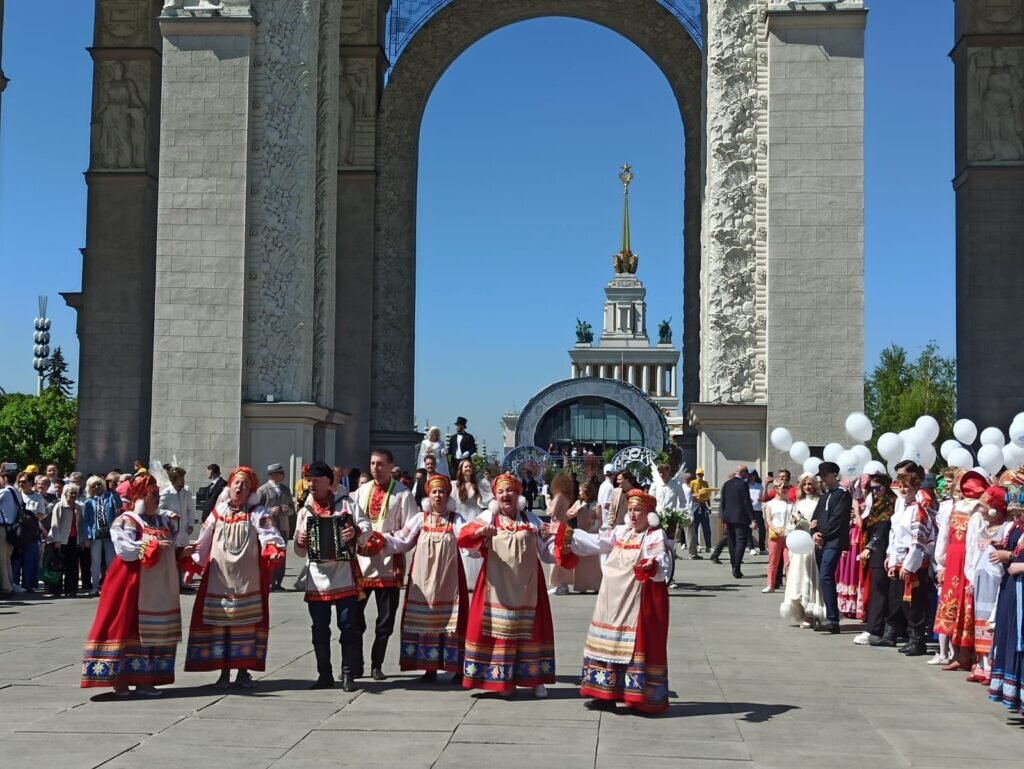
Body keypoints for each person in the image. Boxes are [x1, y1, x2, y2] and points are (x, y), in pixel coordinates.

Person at [550, 489, 670, 714]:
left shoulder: (654, 536)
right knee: (607, 644)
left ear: (649, 514)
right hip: (610, 600)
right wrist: (567, 534)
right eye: (631, 510)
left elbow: (660, 562)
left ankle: (636, 697)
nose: (633, 515)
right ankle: (603, 694)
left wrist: (650, 566)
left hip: (635, 601)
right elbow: (596, 543)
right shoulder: (621, 532)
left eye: (639, 511)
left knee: (632, 645)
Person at [81, 474, 188, 696]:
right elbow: (126, 550)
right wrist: (153, 545)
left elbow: (169, 546)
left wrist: (181, 553)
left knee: (153, 630)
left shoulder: (162, 521)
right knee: (127, 626)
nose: (157, 499)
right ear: (140, 497)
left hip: (159, 586)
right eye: (153, 495)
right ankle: (119, 679)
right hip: (132, 583)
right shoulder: (127, 520)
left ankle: (145, 680)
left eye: (158, 495)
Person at [184, 466, 285, 688]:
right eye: (237, 483)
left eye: (245, 485)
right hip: (219, 580)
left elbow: (270, 535)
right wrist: (193, 564)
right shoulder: (218, 513)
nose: (240, 488)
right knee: (221, 625)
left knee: (245, 625)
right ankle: (223, 672)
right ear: (229, 487)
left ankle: (242, 672)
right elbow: (203, 541)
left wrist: (273, 548)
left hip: (246, 580)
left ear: (251, 491)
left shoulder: (257, 513)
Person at [456, 473, 556, 697]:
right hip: (497, 588)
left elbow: (547, 554)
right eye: (500, 491)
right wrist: (481, 534)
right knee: (500, 631)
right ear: (495, 497)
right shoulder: (488, 517)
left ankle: (536, 679)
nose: (505, 495)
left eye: (509, 490)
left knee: (531, 631)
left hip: (528, 586)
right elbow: (466, 545)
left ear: (518, 494)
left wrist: (559, 540)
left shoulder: (532, 520)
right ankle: (501, 680)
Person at [293, 461, 372, 690]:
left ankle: (347, 673)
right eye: (309, 480)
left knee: (347, 625)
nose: (311, 484)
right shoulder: (305, 511)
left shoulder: (346, 504)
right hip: (317, 578)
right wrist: (299, 543)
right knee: (319, 628)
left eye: (316, 480)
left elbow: (367, 528)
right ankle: (324, 674)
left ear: (329, 483)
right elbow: (299, 551)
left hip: (343, 575)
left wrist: (354, 532)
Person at [383, 474, 468, 684]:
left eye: (442, 492)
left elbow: (469, 542)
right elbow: (402, 541)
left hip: (450, 581)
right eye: (434, 492)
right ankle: (429, 668)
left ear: (448, 495)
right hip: (423, 579)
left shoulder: (456, 520)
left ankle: (456, 667)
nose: (438, 496)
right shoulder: (420, 519)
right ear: (428, 495)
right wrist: (380, 541)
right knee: (425, 620)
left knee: (452, 620)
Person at [351, 448, 418, 681]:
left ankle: (377, 664)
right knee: (355, 617)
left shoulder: (403, 494)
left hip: (389, 563)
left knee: (386, 619)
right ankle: (355, 664)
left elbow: (411, 529)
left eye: (380, 464)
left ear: (391, 466)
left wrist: (387, 540)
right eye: (372, 464)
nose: (375, 468)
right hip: (362, 562)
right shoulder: (360, 492)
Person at [931, 470, 985, 669]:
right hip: (960, 558)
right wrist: (943, 564)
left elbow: (944, 537)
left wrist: (942, 563)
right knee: (958, 602)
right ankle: (961, 654)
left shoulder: (963, 508)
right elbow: (953, 538)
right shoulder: (970, 510)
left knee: (961, 602)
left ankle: (962, 654)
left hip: (959, 557)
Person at [884, 461, 936, 656]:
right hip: (901, 559)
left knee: (915, 602)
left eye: (908, 486)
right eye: (901, 486)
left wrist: (909, 565)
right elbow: (895, 536)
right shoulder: (902, 509)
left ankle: (918, 640)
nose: (904, 490)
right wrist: (892, 559)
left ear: (916, 487)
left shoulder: (918, 509)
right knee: (903, 602)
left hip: (914, 562)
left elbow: (918, 540)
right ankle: (911, 637)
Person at [966, 483, 1010, 682]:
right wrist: (971, 577)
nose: (981, 512)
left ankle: (991, 666)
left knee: (991, 622)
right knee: (980, 621)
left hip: (995, 580)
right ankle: (981, 664)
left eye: (984, 507)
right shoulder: (985, 528)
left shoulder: (1004, 529)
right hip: (981, 578)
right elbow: (975, 555)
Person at [988, 485, 1024, 710]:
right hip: (1012, 591)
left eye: (1020, 511)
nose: (1017, 516)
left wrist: (1013, 559)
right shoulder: (1015, 528)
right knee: (1010, 638)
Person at [853, 472, 898, 646]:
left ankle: (874, 629)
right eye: (871, 488)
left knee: (879, 591)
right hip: (876, 550)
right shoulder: (876, 502)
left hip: (882, 550)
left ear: (886, 487)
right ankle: (880, 627)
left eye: (877, 488)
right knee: (876, 590)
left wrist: (870, 546)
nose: (874, 491)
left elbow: (884, 526)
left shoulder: (890, 502)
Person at [811, 461, 852, 634]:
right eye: (821, 477)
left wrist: (824, 534)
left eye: (826, 476)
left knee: (826, 575)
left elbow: (838, 519)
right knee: (823, 578)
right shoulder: (824, 496)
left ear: (834, 474)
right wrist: (814, 531)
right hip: (821, 542)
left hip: (833, 542)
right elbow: (815, 518)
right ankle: (828, 615)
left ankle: (833, 619)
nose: (823, 480)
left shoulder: (842, 495)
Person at [780, 474, 825, 627]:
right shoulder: (798, 503)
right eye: (805, 484)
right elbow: (792, 523)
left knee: (812, 578)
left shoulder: (819, 501)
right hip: (800, 545)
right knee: (798, 578)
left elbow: (820, 521)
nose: (807, 487)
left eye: (810, 484)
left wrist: (811, 525)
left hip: (812, 545)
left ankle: (813, 613)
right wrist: (796, 523)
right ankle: (803, 613)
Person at [452, 458, 490, 591]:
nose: (468, 469)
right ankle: (463, 580)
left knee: (475, 547)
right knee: (462, 547)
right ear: (461, 470)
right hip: (461, 518)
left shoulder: (478, 485)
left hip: (475, 517)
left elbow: (489, 499)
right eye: (465, 467)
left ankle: (476, 580)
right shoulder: (455, 486)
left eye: (469, 467)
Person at [256, 463, 295, 590]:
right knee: (270, 552)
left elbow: (292, 509)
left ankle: (278, 581)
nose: (283, 475)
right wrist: (270, 510)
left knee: (281, 554)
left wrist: (287, 509)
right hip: (269, 528)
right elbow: (256, 510)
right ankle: (269, 581)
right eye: (280, 473)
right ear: (273, 475)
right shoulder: (263, 490)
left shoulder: (285, 489)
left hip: (283, 525)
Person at [82, 475, 118, 596]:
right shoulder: (89, 502)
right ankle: (95, 586)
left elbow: (118, 505)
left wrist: (113, 491)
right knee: (95, 561)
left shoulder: (110, 497)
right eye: (93, 486)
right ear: (90, 489)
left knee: (110, 560)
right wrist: (87, 536)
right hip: (95, 533)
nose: (97, 487)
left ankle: (112, 586)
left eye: (98, 484)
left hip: (109, 532)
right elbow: (86, 520)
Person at [49, 483, 85, 597]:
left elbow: (80, 524)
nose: (73, 495)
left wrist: (82, 540)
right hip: (61, 540)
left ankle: (71, 589)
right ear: (65, 494)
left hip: (74, 539)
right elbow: (55, 524)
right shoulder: (59, 506)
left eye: (75, 493)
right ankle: (56, 590)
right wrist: (57, 540)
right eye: (71, 493)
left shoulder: (79, 507)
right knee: (58, 565)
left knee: (72, 566)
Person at [12, 471, 46, 592]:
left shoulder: (38, 497)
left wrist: (28, 516)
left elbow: (41, 514)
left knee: (30, 561)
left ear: (31, 483)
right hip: (18, 533)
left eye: (24, 481)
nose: (21, 484)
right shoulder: (15, 495)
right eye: (20, 482)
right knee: (16, 561)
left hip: (31, 533)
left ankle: (29, 585)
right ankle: (14, 584)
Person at [719, 466, 754, 579]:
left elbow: (723, 501)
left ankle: (733, 563)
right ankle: (737, 567)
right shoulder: (743, 484)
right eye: (746, 473)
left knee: (732, 541)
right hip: (741, 517)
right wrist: (752, 518)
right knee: (741, 541)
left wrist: (723, 516)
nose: (747, 475)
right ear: (742, 473)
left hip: (728, 517)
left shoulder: (727, 484)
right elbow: (746, 501)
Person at [566, 481, 602, 593]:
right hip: (580, 535)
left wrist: (592, 526)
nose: (580, 492)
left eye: (582, 490)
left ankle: (596, 585)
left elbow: (600, 521)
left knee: (593, 561)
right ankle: (582, 586)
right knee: (581, 562)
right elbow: (568, 514)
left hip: (592, 535)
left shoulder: (597, 504)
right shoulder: (578, 503)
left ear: (588, 492)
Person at [762, 473, 793, 593]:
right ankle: (770, 584)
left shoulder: (790, 504)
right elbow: (768, 520)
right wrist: (775, 529)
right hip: (775, 535)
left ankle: (790, 585)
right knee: (773, 561)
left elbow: (793, 518)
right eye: (782, 487)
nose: (785, 489)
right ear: (776, 489)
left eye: (786, 487)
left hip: (788, 534)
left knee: (788, 562)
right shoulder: (770, 504)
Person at [546, 473, 577, 595]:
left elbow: (551, 513)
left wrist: (547, 501)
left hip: (556, 528)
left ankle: (558, 584)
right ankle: (561, 584)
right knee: (561, 557)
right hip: (563, 526)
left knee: (555, 557)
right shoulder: (566, 497)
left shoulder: (558, 496)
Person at [689, 468, 713, 554]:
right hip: (695, 505)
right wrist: (697, 494)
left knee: (706, 527)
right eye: (699, 474)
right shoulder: (692, 483)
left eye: (701, 474)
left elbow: (708, 495)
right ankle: (696, 545)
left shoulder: (705, 483)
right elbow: (689, 494)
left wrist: (709, 506)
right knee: (695, 528)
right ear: (696, 475)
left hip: (703, 506)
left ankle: (708, 546)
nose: (700, 476)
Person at [748, 470, 766, 556]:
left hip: (758, 510)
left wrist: (761, 499)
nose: (751, 477)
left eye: (753, 475)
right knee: (749, 529)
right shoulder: (745, 486)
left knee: (762, 529)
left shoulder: (759, 486)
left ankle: (762, 547)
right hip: (749, 510)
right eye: (750, 475)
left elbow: (763, 496)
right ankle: (751, 548)